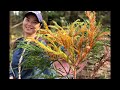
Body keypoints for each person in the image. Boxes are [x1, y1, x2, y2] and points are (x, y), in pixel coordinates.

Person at [9, 11, 54, 79]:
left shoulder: (41, 46)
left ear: (40, 26)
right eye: (27, 20)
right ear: (23, 21)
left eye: (34, 22)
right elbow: (13, 67)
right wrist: (11, 75)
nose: (29, 24)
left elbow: (44, 73)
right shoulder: (18, 42)